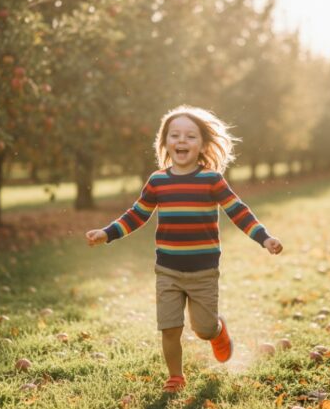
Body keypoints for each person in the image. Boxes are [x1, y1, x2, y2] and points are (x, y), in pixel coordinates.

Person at [85, 105, 283, 393]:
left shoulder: (212, 180)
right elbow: (136, 214)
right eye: (174, 135)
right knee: (169, 327)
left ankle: (217, 329)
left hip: (203, 272)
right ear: (164, 142)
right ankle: (175, 376)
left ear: (202, 144)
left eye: (190, 136)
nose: (181, 141)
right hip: (167, 270)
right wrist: (107, 233)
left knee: (202, 329)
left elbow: (238, 211)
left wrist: (264, 238)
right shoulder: (157, 181)